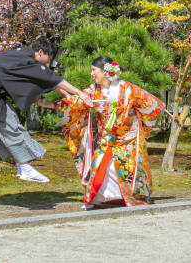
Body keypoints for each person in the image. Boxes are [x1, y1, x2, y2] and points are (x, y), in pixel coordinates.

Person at [36, 56, 164, 209]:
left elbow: (151, 104)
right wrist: (45, 104)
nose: (92, 73)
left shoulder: (127, 88)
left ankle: (131, 198)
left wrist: (141, 126)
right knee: (99, 165)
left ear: (105, 71)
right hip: (106, 137)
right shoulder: (92, 90)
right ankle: (96, 198)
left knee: (126, 168)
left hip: (128, 137)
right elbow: (74, 102)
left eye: (93, 70)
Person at [0, 38, 93, 183]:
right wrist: (80, 93)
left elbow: (47, 80)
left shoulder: (21, 56)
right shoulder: (27, 60)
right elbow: (52, 78)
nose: (48, 62)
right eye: (49, 57)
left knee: (10, 127)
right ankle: (25, 167)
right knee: (10, 127)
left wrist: (67, 95)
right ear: (40, 52)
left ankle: (22, 167)